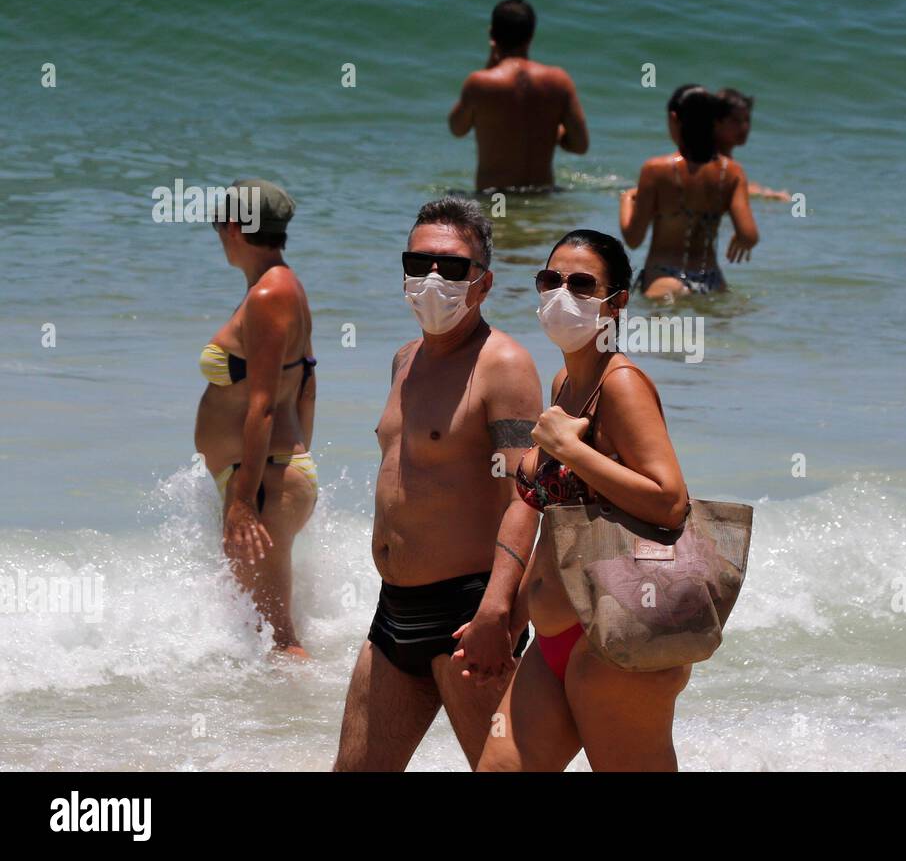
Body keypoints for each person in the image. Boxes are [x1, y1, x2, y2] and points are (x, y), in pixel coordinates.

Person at [334, 197, 543, 771]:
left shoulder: (503, 364)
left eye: (451, 267)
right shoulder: (405, 359)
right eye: (418, 263)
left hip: (468, 614)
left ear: (483, 282)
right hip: (393, 612)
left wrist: (501, 615)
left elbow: (527, 497)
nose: (432, 278)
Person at [477, 230, 692, 772]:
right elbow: (551, 517)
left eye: (580, 284)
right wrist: (504, 610)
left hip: (613, 640)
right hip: (553, 639)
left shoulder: (620, 385)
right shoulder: (566, 382)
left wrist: (570, 447)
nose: (561, 294)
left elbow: (669, 501)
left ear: (617, 302)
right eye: (551, 280)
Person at [196, 178, 317, 657]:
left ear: (232, 227)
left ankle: (303, 726)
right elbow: (307, 384)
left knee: (279, 640)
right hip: (270, 476)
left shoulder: (269, 296)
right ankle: (277, 728)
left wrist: (245, 499)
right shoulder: (279, 287)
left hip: (264, 483)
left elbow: (263, 403)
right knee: (257, 633)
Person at [620, 85, 759, 298]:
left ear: (674, 118)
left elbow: (633, 239)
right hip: (711, 280)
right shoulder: (732, 172)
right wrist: (739, 241)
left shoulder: (655, 169)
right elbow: (749, 236)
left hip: (664, 279)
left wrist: (627, 200)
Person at [448, 0, 589, 191]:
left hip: (495, 197)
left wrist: (491, 62)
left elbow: (457, 129)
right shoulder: (559, 80)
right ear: (531, 36)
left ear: (492, 36)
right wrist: (552, 131)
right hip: (543, 199)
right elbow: (580, 145)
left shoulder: (480, 83)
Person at [715, 87, 791, 201]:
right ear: (716, 122)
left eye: (747, 120)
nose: (744, 127)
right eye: (736, 121)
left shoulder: (720, 160)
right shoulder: (716, 162)